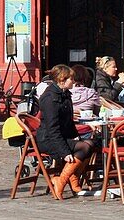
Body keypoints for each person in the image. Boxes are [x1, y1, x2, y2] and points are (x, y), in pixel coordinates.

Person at [36, 64, 96, 198]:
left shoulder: (65, 94)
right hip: (48, 139)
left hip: (62, 137)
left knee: (91, 144)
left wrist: (75, 136)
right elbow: (53, 129)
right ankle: (61, 180)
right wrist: (64, 151)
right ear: (62, 80)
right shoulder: (50, 98)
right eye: (71, 79)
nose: (74, 81)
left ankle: (72, 177)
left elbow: (68, 122)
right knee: (83, 148)